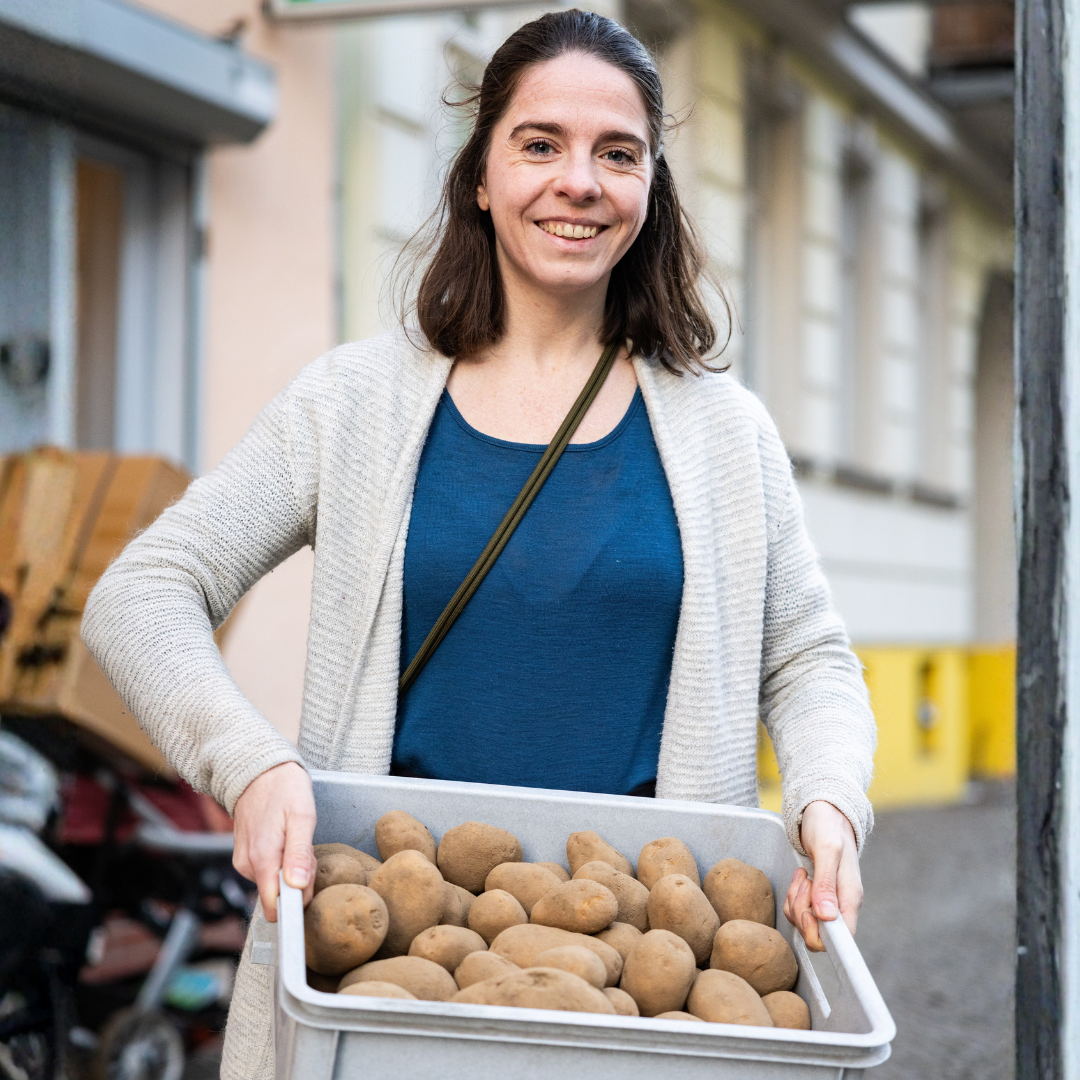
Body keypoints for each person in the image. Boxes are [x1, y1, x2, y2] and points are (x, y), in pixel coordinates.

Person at [82, 10, 875, 1078]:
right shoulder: (353, 402)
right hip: (400, 942)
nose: (579, 182)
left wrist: (829, 802)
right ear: (480, 176)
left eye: (618, 153)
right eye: (540, 144)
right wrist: (255, 767)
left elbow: (810, 658)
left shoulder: (725, 433)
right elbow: (144, 590)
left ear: (650, 190)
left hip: (647, 958)